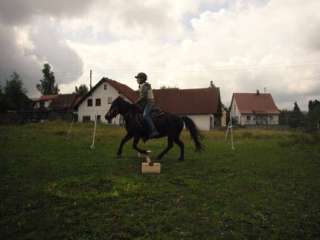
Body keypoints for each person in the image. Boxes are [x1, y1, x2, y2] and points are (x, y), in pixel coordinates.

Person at [135, 72, 159, 138]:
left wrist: (136, 102)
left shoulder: (146, 85)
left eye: (138, 78)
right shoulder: (141, 86)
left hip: (149, 102)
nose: (137, 80)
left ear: (143, 79)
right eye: (137, 78)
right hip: (144, 103)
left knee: (145, 115)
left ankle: (154, 131)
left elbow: (144, 97)